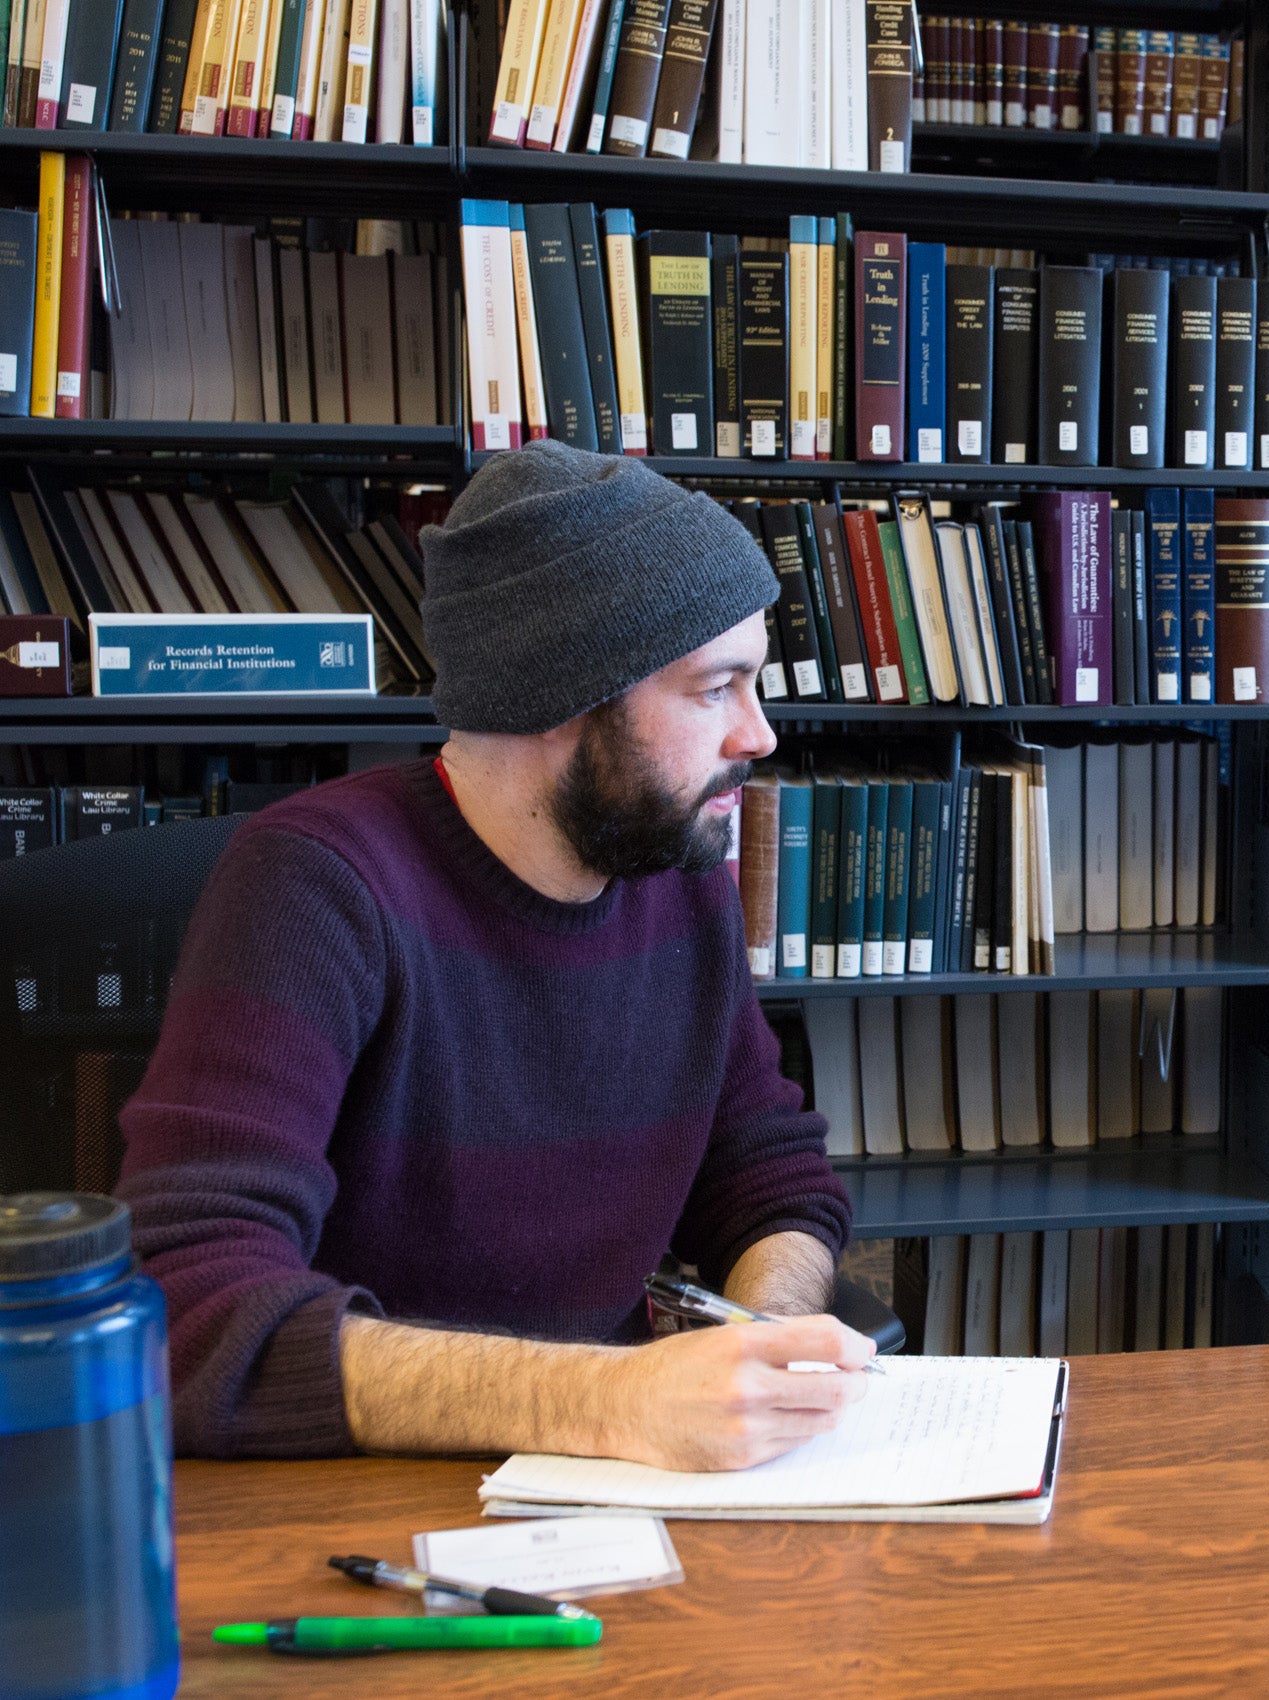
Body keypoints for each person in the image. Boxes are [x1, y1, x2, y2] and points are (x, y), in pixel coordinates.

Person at [116, 440, 875, 1467]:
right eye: (716, 688)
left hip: (605, 1488)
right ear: (566, 695)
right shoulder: (314, 888)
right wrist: (609, 1399)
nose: (761, 733)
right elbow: (187, 1307)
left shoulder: (675, 870)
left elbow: (768, 1173)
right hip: (347, 1494)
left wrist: (767, 1340)